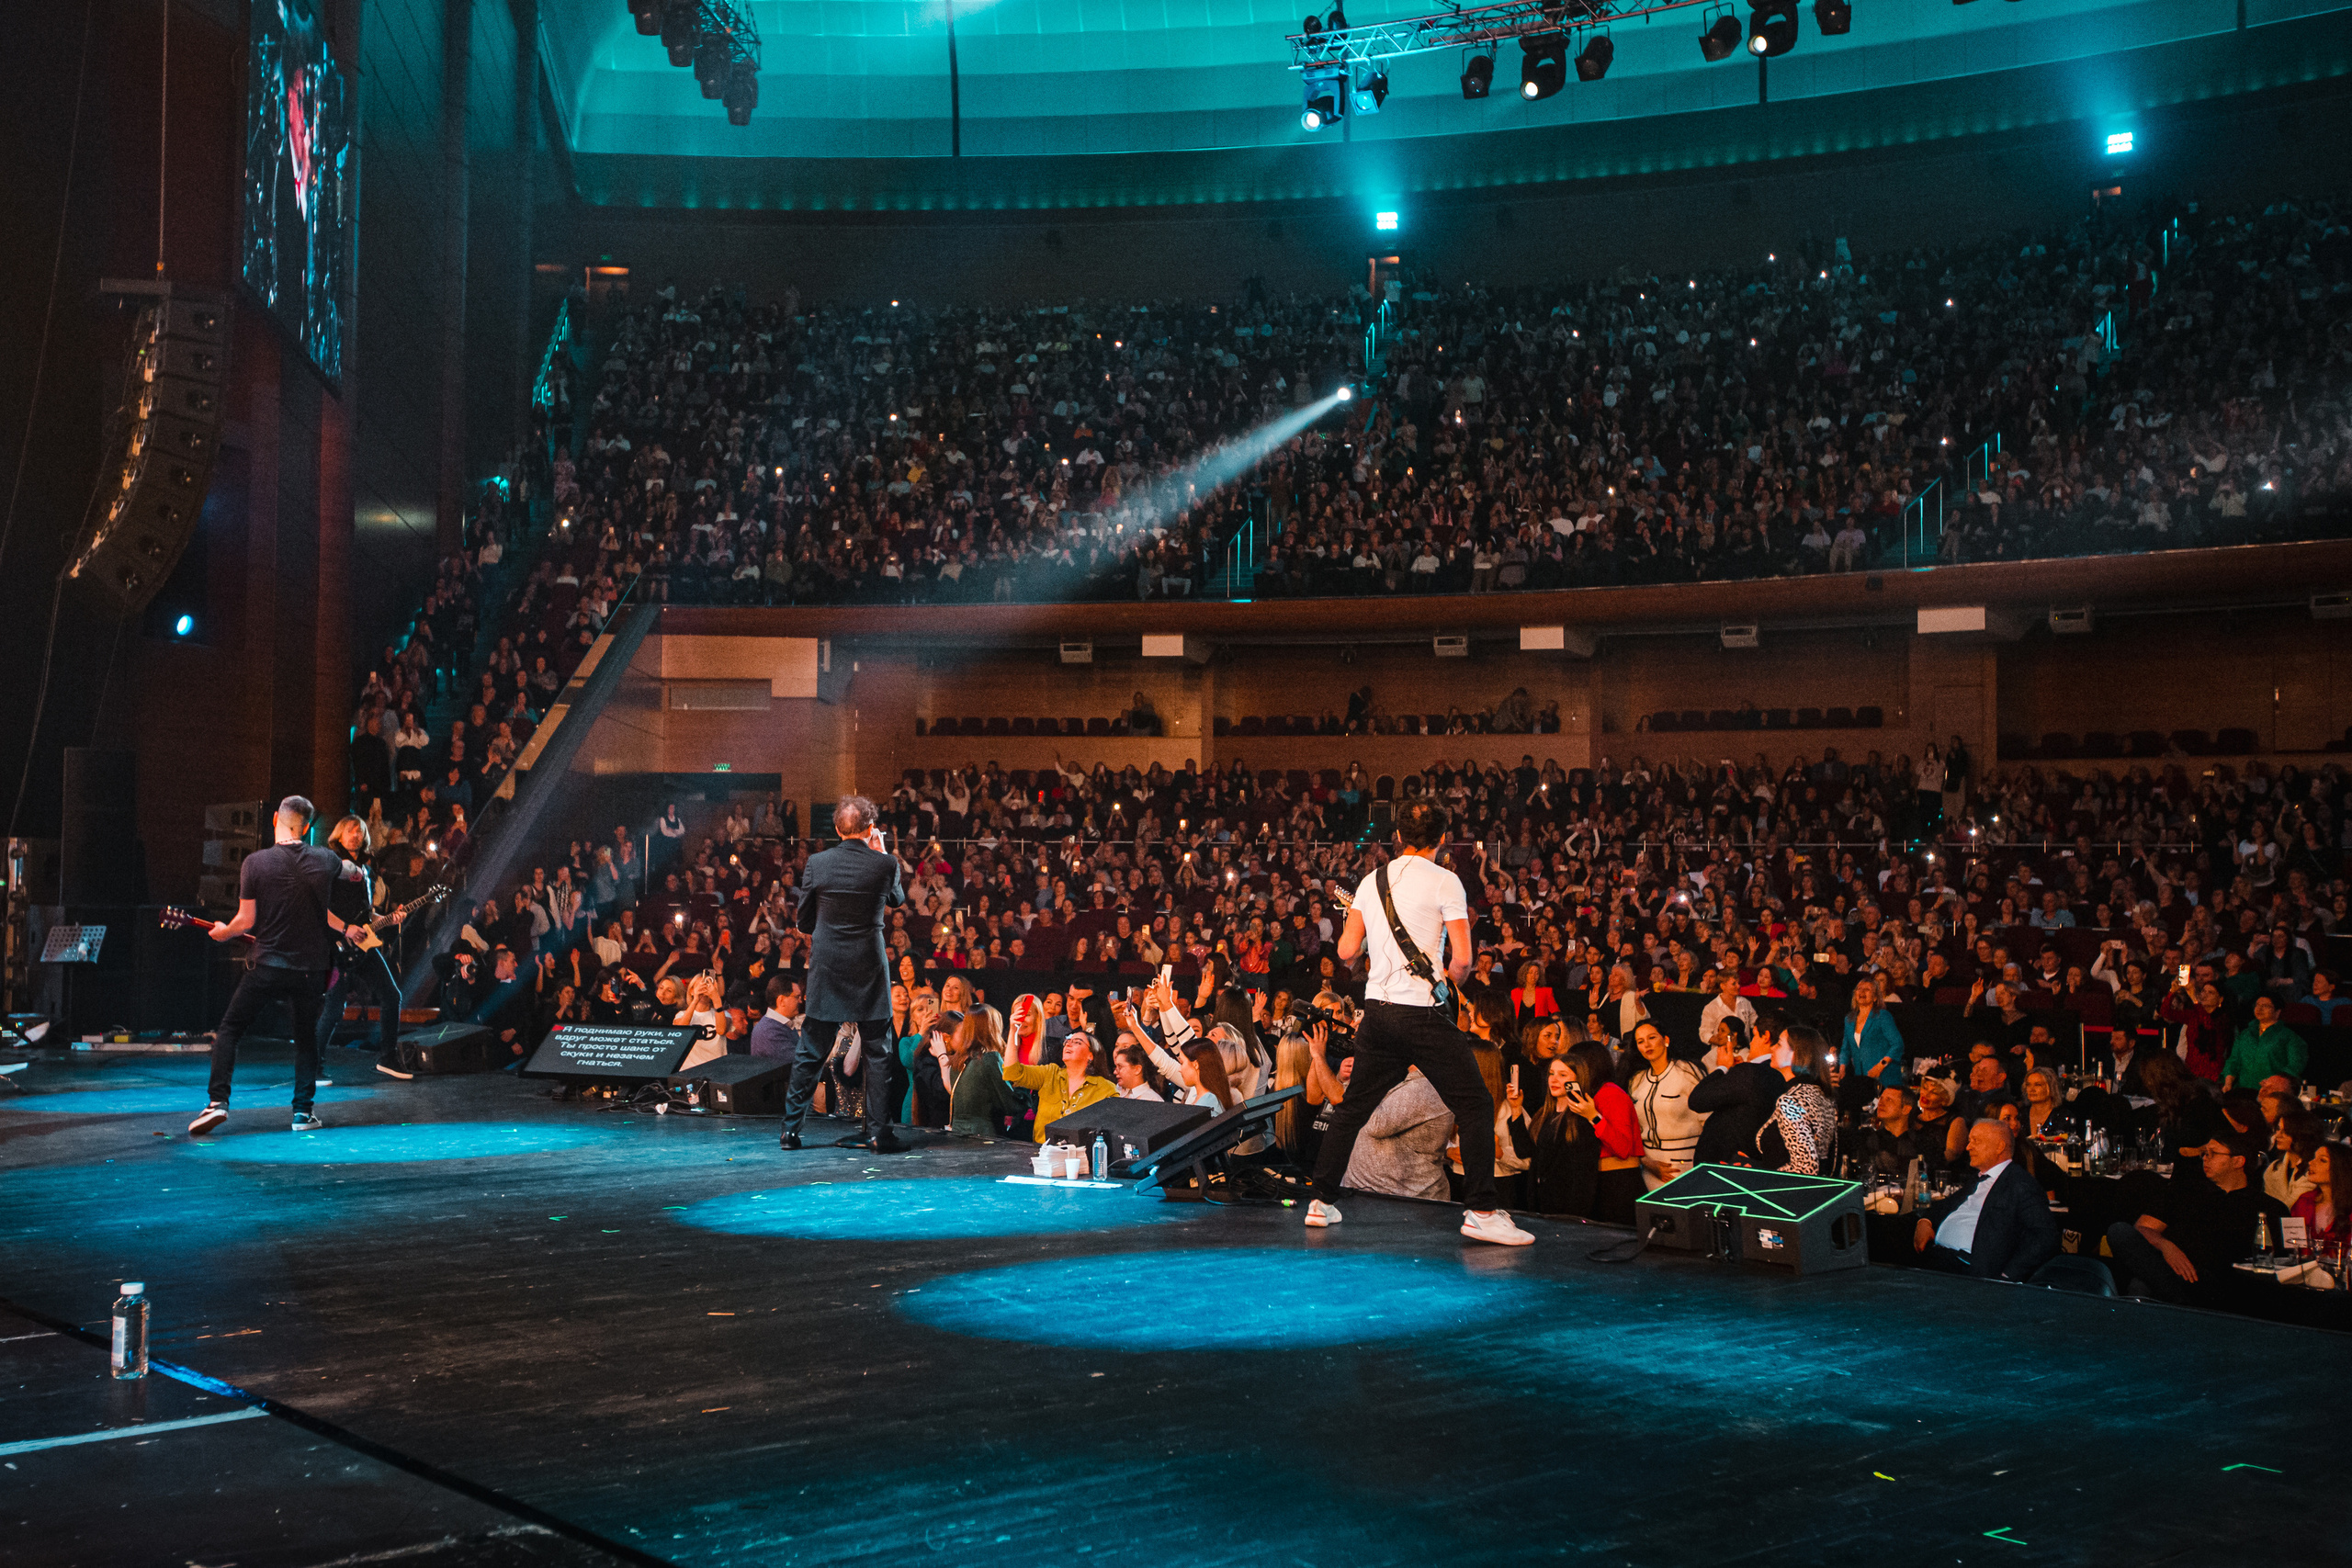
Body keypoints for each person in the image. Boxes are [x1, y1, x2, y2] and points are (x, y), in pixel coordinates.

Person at [1307, 800, 1533, 1246]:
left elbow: (1346, 953)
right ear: (1443, 839)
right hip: (1423, 1013)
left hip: (1378, 1012)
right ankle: (1483, 1211)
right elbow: (1464, 960)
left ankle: (1321, 1202)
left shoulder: (1372, 881)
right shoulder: (1446, 880)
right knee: (1474, 1103)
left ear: (1397, 835)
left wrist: (1375, 931)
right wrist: (1448, 985)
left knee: (1353, 1107)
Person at [188, 796, 358, 1135]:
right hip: (309, 970)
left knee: (230, 1030)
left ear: (276, 820)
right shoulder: (325, 859)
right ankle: (302, 1113)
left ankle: (217, 1103)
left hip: (266, 965)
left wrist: (223, 933)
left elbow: (245, 921)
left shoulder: (254, 863)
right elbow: (351, 872)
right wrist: (356, 871)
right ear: (308, 828)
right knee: (306, 1038)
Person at [779, 796, 908, 1152]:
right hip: (868, 965)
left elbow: (804, 920)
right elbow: (897, 900)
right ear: (871, 829)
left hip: (828, 966)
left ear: (836, 829)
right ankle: (880, 1134)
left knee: (811, 1050)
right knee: (878, 1053)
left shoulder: (817, 863)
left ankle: (791, 1132)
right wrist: (881, 853)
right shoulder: (885, 864)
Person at [2106, 1131, 2285, 1303]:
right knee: (2119, 1232)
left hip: (2222, 1282)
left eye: (2213, 1154)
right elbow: (2143, 1228)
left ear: (2238, 1161)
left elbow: (2278, 1261)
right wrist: (2166, 1246)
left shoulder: (2267, 1207)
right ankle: (2182, 1300)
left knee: (2142, 1285)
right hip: (2171, 1271)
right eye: (2204, 1154)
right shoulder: (2185, 1191)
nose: (2205, 1158)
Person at [311, 814, 414, 1082]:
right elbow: (318, 908)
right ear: (339, 835)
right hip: (336, 946)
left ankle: (388, 1058)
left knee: (391, 995)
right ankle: (312, 1067)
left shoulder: (366, 868)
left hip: (362, 944)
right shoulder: (330, 862)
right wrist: (345, 929)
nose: (356, 835)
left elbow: (367, 916)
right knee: (335, 1008)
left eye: (360, 831)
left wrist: (390, 918)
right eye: (350, 830)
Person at [1911, 1118, 2062, 1281]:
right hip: (1937, 1258)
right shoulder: (1977, 1180)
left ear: (2000, 1147)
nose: (1968, 1147)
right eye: (1969, 1141)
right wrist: (1924, 1222)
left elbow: (2045, 1236)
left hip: (1966, 1269)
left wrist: (2007, 1276)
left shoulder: (2019, 1184)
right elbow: (1945, 1206)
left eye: (1976, 1141)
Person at [1625, 1020, 1707, 1188]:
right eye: (1640, 1041)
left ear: (1666, 1040)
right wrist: (1647, 1162)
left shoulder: (1687, 1072)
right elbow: (1632, 1128)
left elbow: (1709, 1119)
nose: (1647, 1044)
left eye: (1652, 1037)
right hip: (1649, 1168)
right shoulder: (1636, 1080)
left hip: (1686, 1165)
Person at [998, 1029, 1116, 1140]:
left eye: (1077, 1042)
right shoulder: (1050, 1073)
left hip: (1082, 1156)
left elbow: (1113, 1130)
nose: (1068, 1044)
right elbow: (1012, 1073)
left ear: (1091, 1055)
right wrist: (1013, 1030)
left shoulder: (1106, 1089)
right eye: (1067, 1041)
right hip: (1043, 1153)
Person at [1759, 1026, 1839, 1175]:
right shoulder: (1822, 1095)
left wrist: (1759, 1174)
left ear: (1797, 1054)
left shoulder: (1791, 1101)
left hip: (1783, 1194)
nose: (1771, 1048)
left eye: (1779, 1044)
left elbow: (1806, 1168)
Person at [2220, 996, 2308, 1091]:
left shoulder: (2289, 1037)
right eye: (2257, 1005)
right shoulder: (2246, 1034)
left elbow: (2295, 1066)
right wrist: (2228, 1082)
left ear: (2278, 1012)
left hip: (2272, 1092)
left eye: (2266, 1006)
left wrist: (2275, 1081)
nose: (2259, 1009)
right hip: (2243, 1090)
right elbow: (2233, 1061)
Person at [748, 976, 804, 1061]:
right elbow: (799, 1062)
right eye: (797, 997)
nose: (800, 1001)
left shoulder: (778, 1025)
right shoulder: (770, 1031)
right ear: (781, 1000)